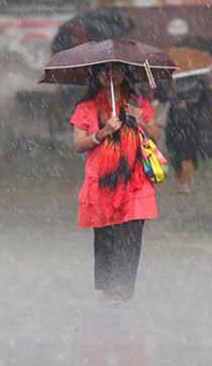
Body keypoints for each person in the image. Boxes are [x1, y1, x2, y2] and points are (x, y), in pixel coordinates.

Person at [70, 62, 160, 301]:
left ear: (125, 74)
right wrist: (102, 133)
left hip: (135, 182)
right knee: (106, 239)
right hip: (101, 184)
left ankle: (123, 292)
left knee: (130, 239)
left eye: (116, 70)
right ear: (96, 76)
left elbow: (155, 135)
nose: (110, 75)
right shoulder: (86, 107)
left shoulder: (137, 104)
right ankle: (110, 291)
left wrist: (142, 119)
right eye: (103, 71)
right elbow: (78, 145)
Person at [164, 76, 212, 194]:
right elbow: (164, 95)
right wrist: (173, 97)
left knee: (187, 155)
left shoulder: (200, 81)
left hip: (191, 124)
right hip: (174, 123)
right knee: (175, 155)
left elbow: (206, 100)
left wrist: (189, 103)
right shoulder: (172, 78)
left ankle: (186, 182)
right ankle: (180, 179)